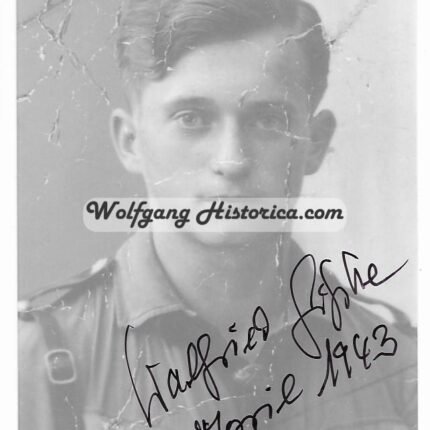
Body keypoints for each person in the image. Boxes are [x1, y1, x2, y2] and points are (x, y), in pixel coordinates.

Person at [19, 0, 417, 429]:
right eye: (192, 118)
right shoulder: (39, 355)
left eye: (268, 120)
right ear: (131, 141)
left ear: (315, 143)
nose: (231, 160)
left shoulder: (396, 363)